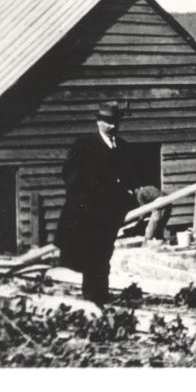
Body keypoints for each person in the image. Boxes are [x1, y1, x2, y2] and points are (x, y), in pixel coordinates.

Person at [55, 102, 137, 307]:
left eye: (114, 122)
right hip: (88, 213)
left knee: (104, 256)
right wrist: (97, 194)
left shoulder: (124, 147)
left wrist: (126, 195)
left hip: (111, 214)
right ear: (98, 121)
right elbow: (71, 177)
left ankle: (100, 298)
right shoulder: (84, 146)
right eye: (107, 121)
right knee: (92, 258)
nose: (111, 126)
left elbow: (129, 179)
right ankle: (93, 301)